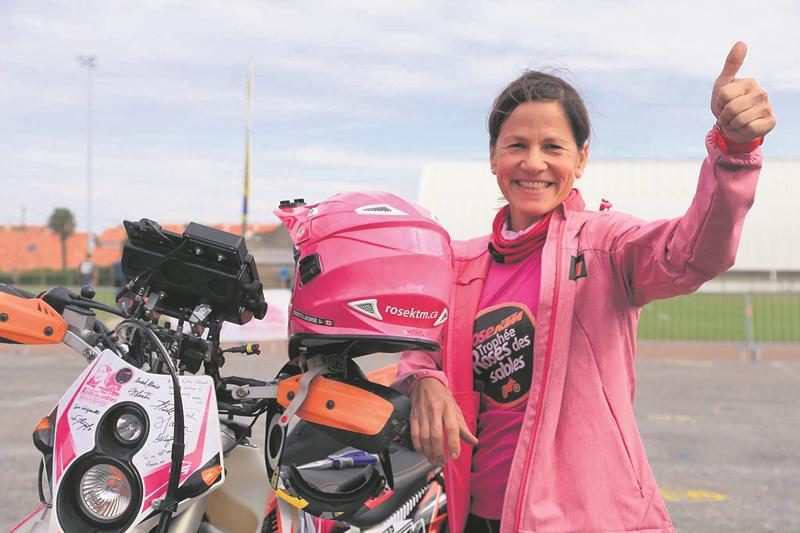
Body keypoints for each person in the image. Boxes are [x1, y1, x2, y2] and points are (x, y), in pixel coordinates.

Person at [392, 41, 775, 533]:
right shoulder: (459, 263)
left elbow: (692, 252)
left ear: (581, 158)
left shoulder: (604, 245)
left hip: (588, 517)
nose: (534, 163)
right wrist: (425, 379)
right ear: (493, 157)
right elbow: (416, 344)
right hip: (478, 514)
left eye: (553, 146)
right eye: (516, 145)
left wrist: (735, 152)